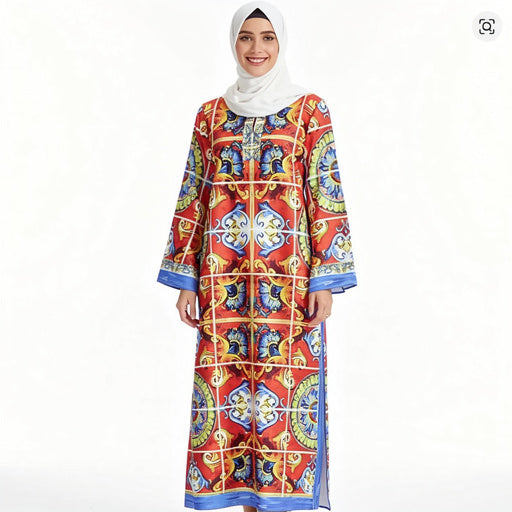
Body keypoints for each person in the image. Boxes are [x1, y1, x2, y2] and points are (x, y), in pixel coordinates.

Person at [157, 2, 357, 511]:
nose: (256, 48)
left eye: (267, 37)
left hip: (289, 286)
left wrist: (325, 280)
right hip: (222, 284)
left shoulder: (309, 111)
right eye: (246, 37)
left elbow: (324, 192)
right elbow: (194, 195)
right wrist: (185, 279)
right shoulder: (211, 116)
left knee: (282, 405)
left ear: (281, 43)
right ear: (233, 42)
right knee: (231, 405)